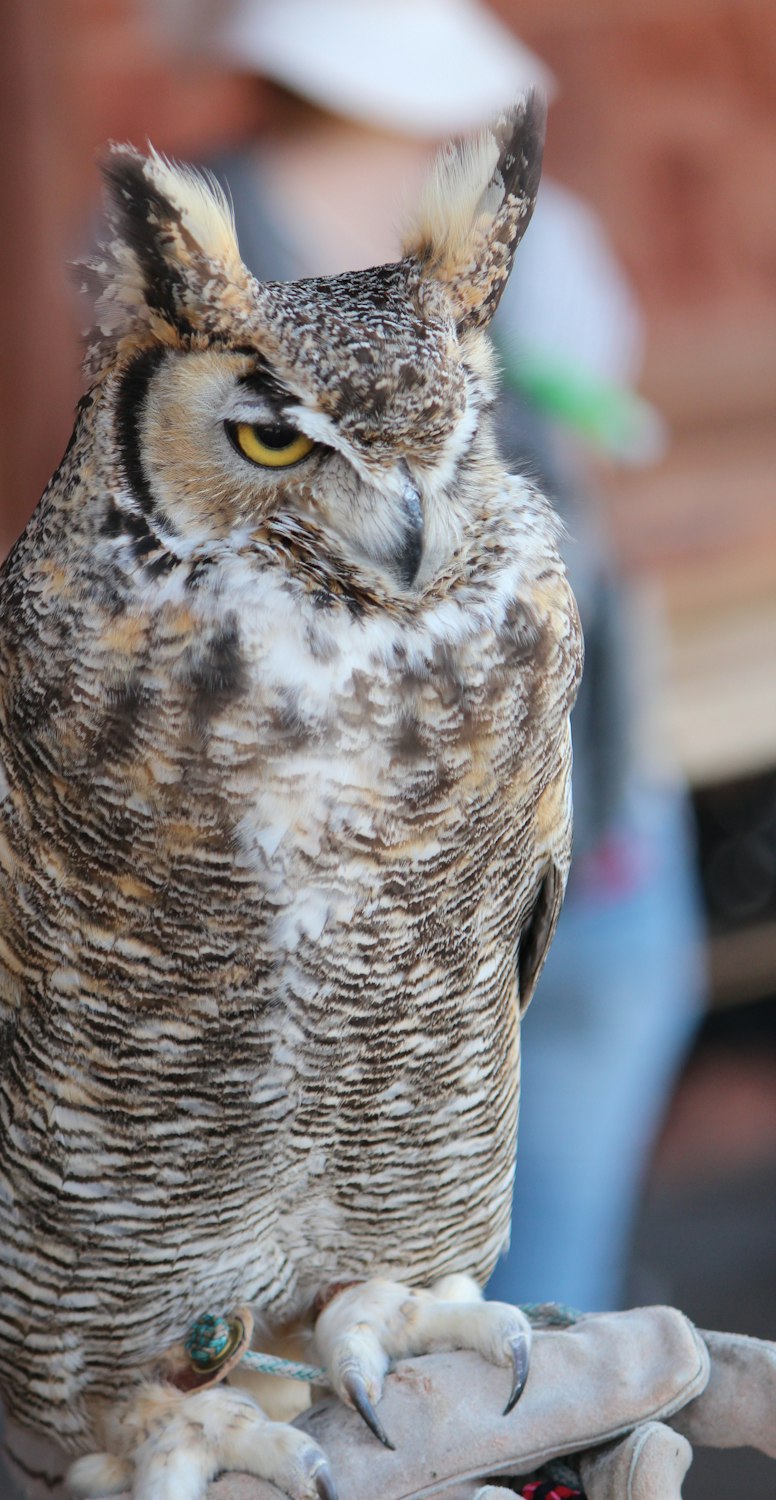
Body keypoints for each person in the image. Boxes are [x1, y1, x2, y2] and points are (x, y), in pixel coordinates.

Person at [189, 0, 705, 1311]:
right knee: (490, 1273)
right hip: (469, 813)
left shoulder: (184, 250)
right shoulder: (510, 233)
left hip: (387, 821)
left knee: (403, 1285)